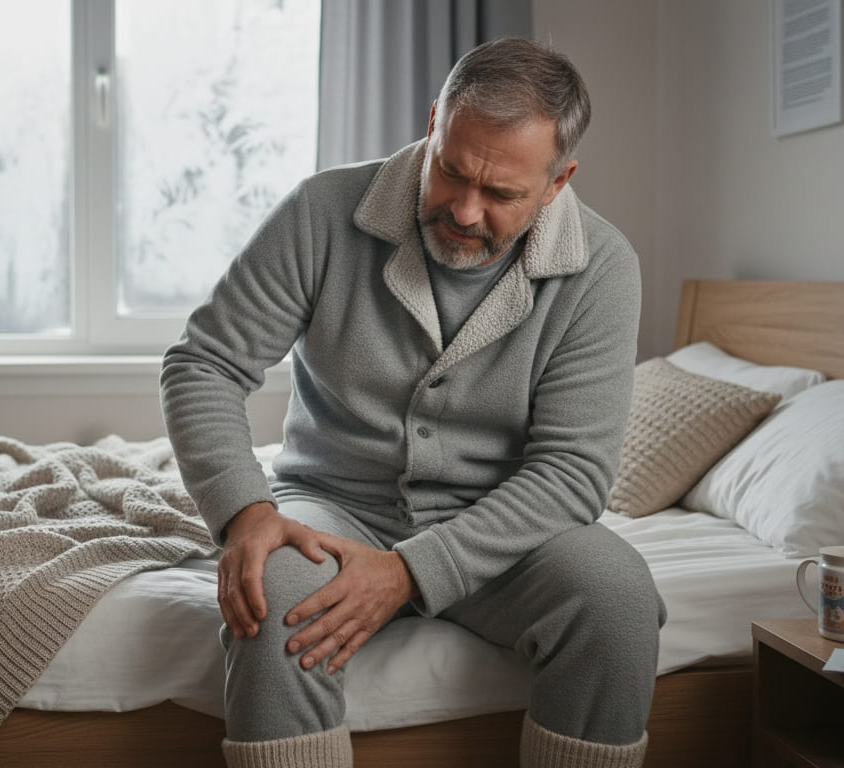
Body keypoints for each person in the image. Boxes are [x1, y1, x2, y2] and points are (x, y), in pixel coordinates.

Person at [161, 37, 665, 768]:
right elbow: (204, 362)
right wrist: (247, 512)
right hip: (330, 505)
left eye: (500, 195)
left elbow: (572, 474)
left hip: (503, 533)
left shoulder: (604, 266)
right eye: (452, 172)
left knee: (616, 600)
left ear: (558, 182)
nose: (464, 210)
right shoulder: (323, 211)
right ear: (434, 123)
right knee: (273, 602)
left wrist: (407, 572)